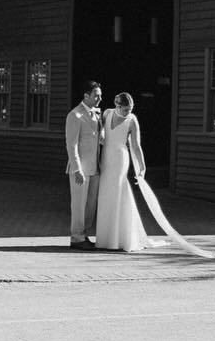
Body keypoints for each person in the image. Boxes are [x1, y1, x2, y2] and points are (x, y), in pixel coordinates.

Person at [94, 92, 151, 252]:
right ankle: (106, 238)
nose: (128, 112)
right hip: (106, 156)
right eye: (125, 109)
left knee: (118, 191)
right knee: (105, 193)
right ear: (117, 106)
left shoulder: (132, 120)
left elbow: (136, 145)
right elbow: (100, 131)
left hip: (120, 157)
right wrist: (101, 135)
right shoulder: (106, 113)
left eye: (130, 109)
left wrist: (142, 165)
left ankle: (120, 237)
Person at [64, 80, 103, 250]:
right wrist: (76, 168)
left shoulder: (96, 114)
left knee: (90, 204)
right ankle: (76, 238)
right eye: (96, 95)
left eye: (100, 95)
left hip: (94, 168)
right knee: (78, 204)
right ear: (86, 96)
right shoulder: (75, 115)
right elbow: (71, 144)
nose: (99, 98)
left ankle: (84, 234)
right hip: (80, 169)